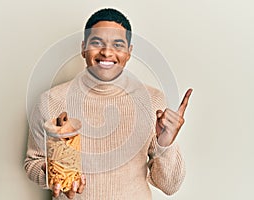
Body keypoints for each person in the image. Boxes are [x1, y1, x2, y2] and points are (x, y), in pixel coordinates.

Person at [24, 8, 192, 200]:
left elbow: (170, 186)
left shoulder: (153, 101)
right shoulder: (51, 101)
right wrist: (55, 174)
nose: (106, 52)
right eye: (97, 43)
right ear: (83, 48)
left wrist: (165, 144)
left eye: (118, 45)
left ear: (129, 52)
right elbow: (33, 163)